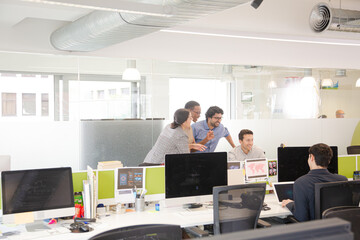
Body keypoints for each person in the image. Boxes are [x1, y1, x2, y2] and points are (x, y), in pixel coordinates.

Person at [281, 143, 347, 222]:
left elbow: (301, 217)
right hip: (341, 229)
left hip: (315, 231)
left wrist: (290, 204)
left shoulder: (301, 183)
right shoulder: (342, 180)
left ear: (311, 157)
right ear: (329, 160)